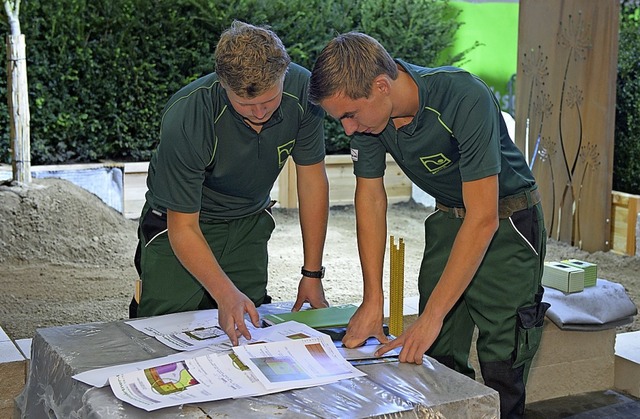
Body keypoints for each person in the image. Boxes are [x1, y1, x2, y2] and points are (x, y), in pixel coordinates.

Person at [309, 32, 548, 418]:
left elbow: (483, 216)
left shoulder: (462, 96)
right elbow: (370, 199)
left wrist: (431, 316)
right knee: (433, 354)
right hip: (448, 219)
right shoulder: (372, 121)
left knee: (502, 358)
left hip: (507, 223)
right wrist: (374, 298)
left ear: (381, 86)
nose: (348, 129)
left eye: (349, 115)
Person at [132, 20, 330, 346]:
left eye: (269, 101)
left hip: (249, 223)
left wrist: (312, 274)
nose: (260, 113)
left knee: (246, 328)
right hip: (179, 227)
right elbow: (182, 225)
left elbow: (312, 182)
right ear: (223, 85)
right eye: (246, 105)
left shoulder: (303, 92)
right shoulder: (188, 115)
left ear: (284, 76)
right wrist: (224, 293)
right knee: (163, 332)